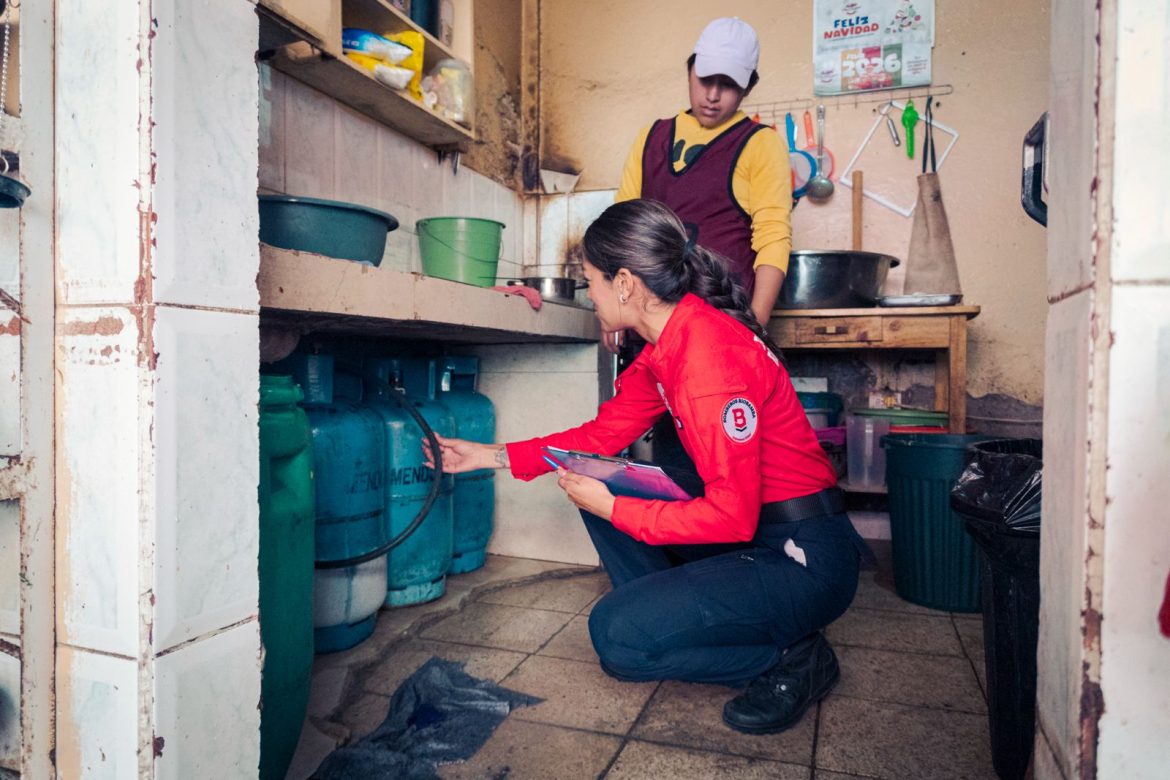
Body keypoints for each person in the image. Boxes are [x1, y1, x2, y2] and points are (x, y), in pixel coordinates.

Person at [425, 199, 866, 735]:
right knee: (594, 473)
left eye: (590, 282)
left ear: (627, 283)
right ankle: (677, 615)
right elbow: (596, 438)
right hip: (762, 534)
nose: (590, 296)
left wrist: (617, 508)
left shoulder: (706, 357)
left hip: (802, 555)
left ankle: (791, 659)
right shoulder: (668, 347)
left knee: (618, 640)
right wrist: (486, 455)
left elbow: (732, 517)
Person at [615, 16, 792, 326]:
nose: (712, 95)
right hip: (647, 324)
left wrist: (757, 326)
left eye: (728, 85)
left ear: (748, 87)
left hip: (720, 326)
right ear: (690, 70)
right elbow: (622, 228)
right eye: (705, 79)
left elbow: (773, 237)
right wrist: (615, 309)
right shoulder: (651, 138)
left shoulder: (761, 143)